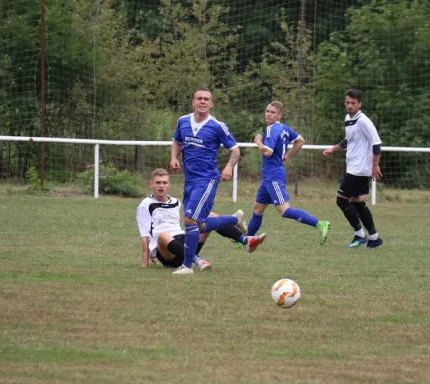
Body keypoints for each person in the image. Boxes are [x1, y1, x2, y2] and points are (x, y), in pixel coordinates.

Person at [170, 88, 266, 275]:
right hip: (189, 180)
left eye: (207, 99)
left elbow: (235, 150)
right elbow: (177, 141)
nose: (203, 101)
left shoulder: (217, 126)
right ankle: (234, 219)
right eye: (199, 98)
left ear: (211, 104)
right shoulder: (183, 121)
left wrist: (229, 166)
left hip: (207, 180)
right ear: (193, 102)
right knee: (200, 225)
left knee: (189, 218)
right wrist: (174, 157)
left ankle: (187, 266)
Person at [137, 168, 267, 271]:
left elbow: (189, 220)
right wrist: (145, 263)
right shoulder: (146, 204)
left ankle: (245, 240)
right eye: (158, 183)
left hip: (183, 240)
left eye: (164, 183)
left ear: (169, 185)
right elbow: (145, 236)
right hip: (166, 251)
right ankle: (197, 260)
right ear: (151, 184)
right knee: (163, 235)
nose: (161, 186)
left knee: (208, 216)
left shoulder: (176, 202)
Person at [246, 101, 331, 244]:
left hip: (274, 176)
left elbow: (267, 152)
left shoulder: (272, 129)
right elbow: (300, 141)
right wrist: (287, 156)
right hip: (269, 176)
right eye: (267, 111)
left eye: (272, 112)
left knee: (285, 211)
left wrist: (258, 141)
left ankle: (320, 224)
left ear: (279, 115)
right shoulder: (284, 128)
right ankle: (245, 240)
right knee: (257, 209)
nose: (268, 114)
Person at [322, 88, 383, 248]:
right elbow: (348, 141)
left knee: (341, 200)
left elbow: (376, 143)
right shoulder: (348, 119)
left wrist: (374, 165)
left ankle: (359, 234)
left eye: (353, 103)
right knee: (356, 201)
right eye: (348, 102)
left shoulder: (363, 121)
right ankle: (374, 237)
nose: (350, 106)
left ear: (359, 104)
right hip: (354, 167)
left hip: (359, 169)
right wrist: (332, 149)